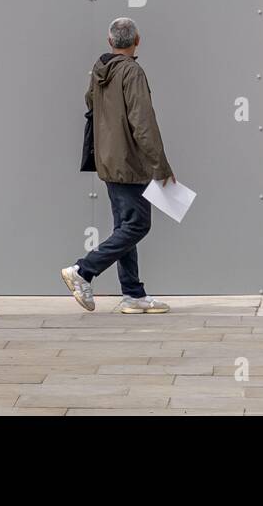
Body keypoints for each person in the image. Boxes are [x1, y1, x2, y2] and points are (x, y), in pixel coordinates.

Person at [62, 18, 175, 314]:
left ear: (110, 40)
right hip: (129, 161)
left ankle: (133, 294)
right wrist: (160, 166)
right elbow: (143, 123)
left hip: (107, 158)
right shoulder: (132, 71)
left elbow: (90, 104)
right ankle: (83, 270)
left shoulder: (100, 71)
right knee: (138, 224)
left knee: (124, 226)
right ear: (138, 39)